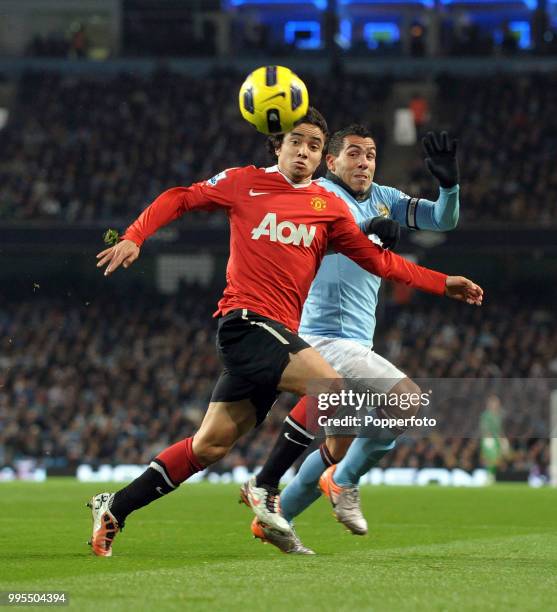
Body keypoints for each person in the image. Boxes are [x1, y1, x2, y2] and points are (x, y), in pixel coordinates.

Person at [91, 108, 482, 557]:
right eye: (297, 141)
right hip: (245, 322)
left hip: (278, 336)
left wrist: (441, 281)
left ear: (321, 159)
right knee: (333, 388)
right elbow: (180, 197)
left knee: (210, 445)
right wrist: (135, 235)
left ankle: (115, 506)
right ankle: (265, 485)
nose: (305, 151)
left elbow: (380, 262)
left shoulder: (328, 208)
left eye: (314, 145)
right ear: (277, 145)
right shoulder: (244, 182)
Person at [241, 126, 462, 552]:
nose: (364, 162)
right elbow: (301, 245)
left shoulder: (386, 197)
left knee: (339, 443)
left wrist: (449, 185)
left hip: (358, 341)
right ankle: (341, 484)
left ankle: (275, 518)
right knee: (406, 401)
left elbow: (442, 219)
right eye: (355, 154)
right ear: (332, 161)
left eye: (372, 155)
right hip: (318, 335)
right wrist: (367, 232)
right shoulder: (311, 196)